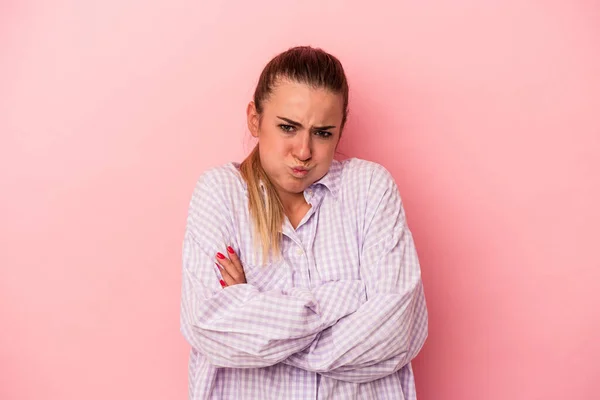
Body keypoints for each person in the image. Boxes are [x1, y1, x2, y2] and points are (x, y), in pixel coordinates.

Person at [180, 45, 428, 399]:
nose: (303, 151)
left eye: (323, 133)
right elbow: (210, 329)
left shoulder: (370, 188)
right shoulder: (220, 192)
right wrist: (348, 296)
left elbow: (398, 329)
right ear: (255, 119)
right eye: (287, 127)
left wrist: (259, 322)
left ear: (340, 130)